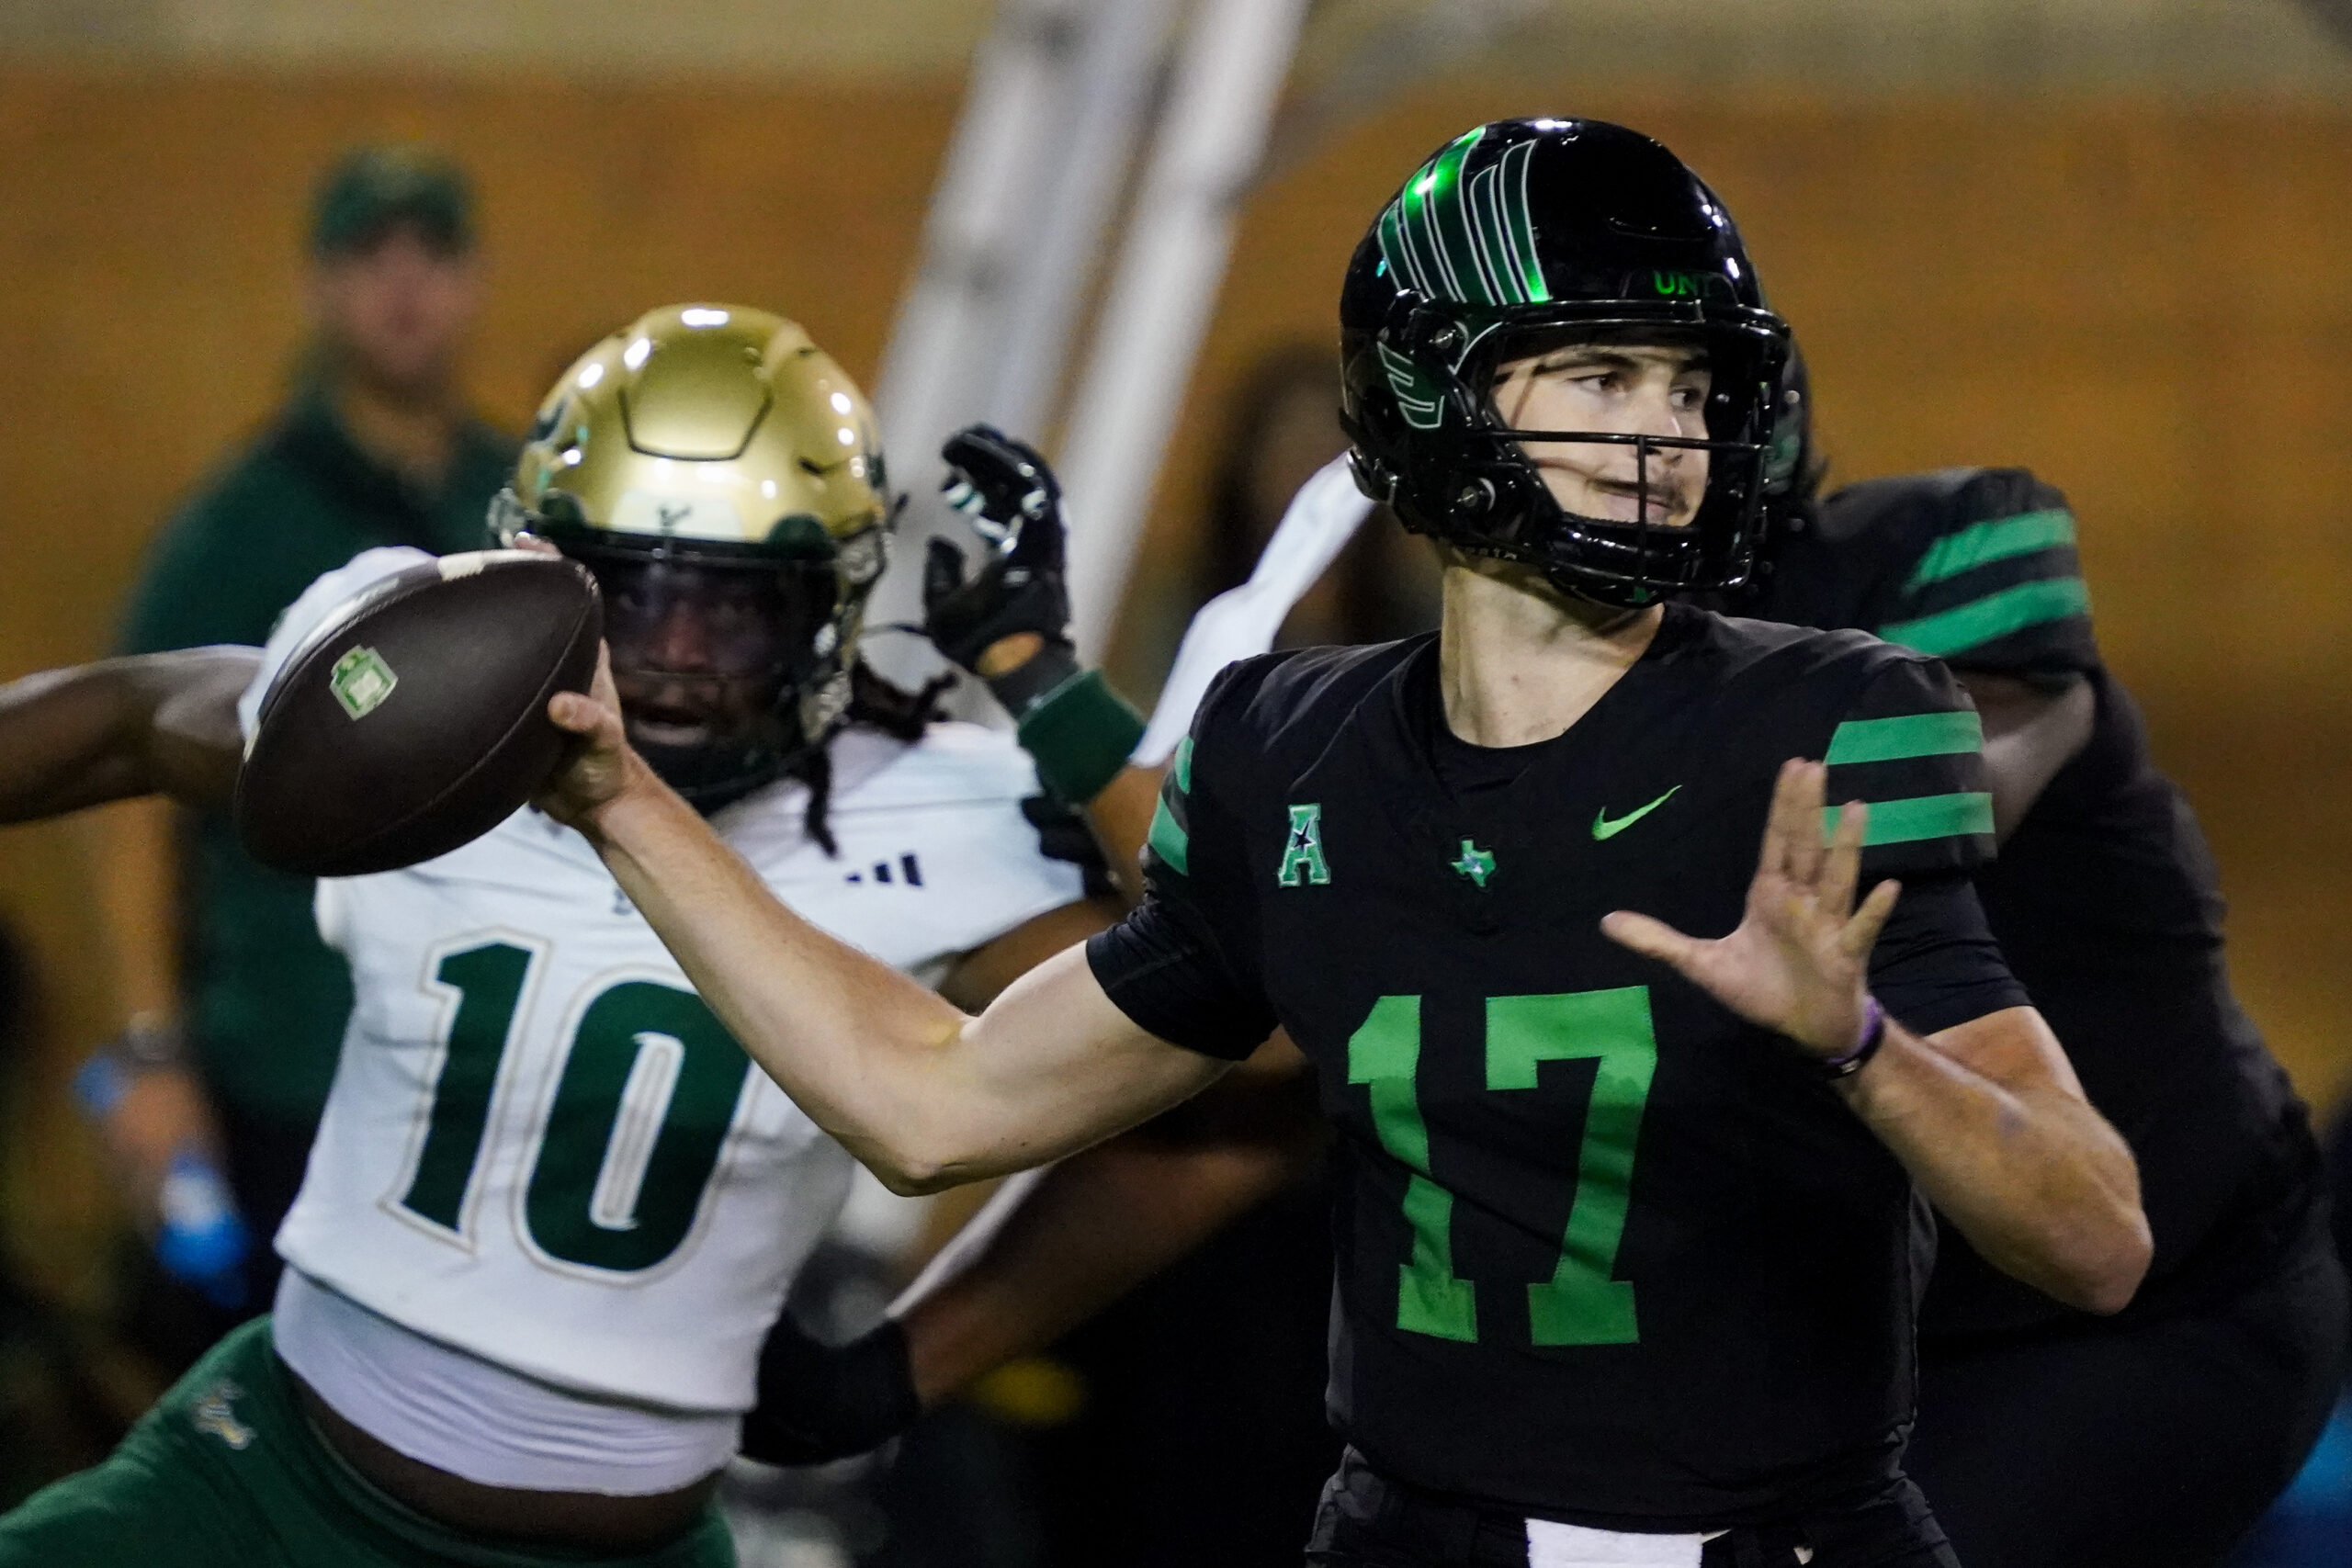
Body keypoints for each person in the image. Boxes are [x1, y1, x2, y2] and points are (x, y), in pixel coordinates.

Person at [533, 121, 2152, 1566]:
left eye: (1689, 387)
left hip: (1777, 1542)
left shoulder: (1829, 723)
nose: (1668, 438)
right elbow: (935, 1103)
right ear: (1435, 393)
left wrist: (1864, 1049)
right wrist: (623, 799)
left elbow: (2095, 1240)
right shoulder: (1288, 750)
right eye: (1602, 377)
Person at [0, 305, 1117, 1567]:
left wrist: (909, 1363)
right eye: (633, 594)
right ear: (537, 574)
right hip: (269, 1487)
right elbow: (133, 721)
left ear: (829, 606)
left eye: (735, 611)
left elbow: (1229, 1073)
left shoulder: (937, 811)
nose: (677, 658)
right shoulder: (441, 708)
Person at [1732, 383, 2349, 1568]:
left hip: (2158, 1306)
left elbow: (1930, 798)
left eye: (1663, 382)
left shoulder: (1937, 557)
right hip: (1888, 1325)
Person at [110, 145, 517, 1337]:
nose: (404, 285)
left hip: (489, 1069)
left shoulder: (516, 500)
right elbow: (130, 796)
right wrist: (150, 1056)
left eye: (432, 254)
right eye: (369, 254)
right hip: (290, 1061)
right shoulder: (243, 524)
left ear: (474, 282)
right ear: (319, 286)